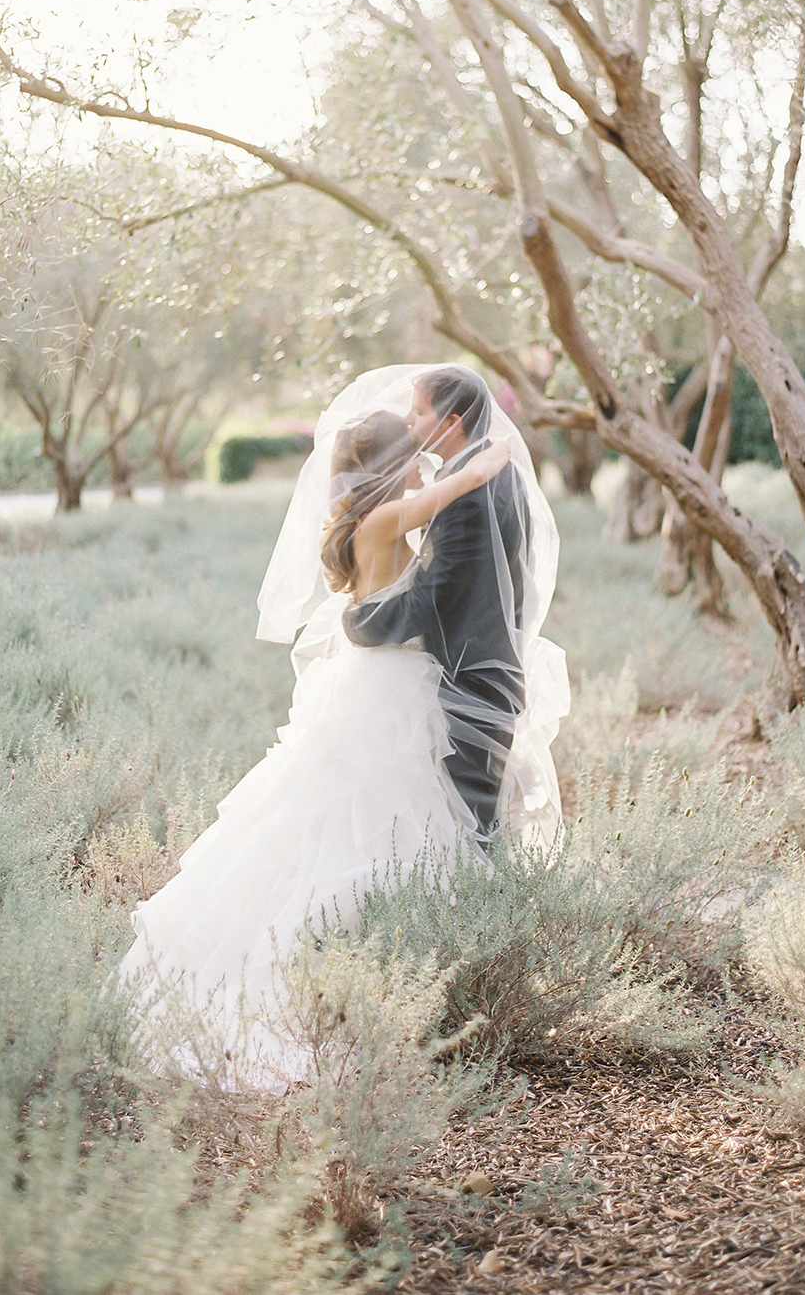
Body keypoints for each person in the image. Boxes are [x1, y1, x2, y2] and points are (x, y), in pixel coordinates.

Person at [117, 364, 566, 1080]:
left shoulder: (373, 515)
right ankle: (395, 983)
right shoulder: (395, 516)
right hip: (391, 683)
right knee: (392, 819)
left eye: (423, 422)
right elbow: (435, 529)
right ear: (390, 466)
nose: (420, 448)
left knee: (379, 817)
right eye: (409, 442)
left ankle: (419, 978)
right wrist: (488, 461)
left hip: (401, 683)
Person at [343, 366, 529, 843]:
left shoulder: (467, 491)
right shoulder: (476, 472)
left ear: (451, 422)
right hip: (465, 669)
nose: (409, 421)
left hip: (469, 677)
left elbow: (433, 595)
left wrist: (362, 625)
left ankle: (483, 909)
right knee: (454, 818)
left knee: (467, 822)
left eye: (418, 410)